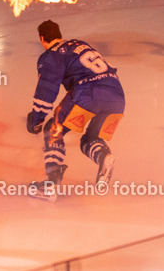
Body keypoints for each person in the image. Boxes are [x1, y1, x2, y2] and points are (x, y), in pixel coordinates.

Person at [26, 21, 124, 202]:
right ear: (59, 34)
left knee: (53, 129)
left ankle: (51, 184)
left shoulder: (51, 55)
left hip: (89, 93)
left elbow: (46, 92)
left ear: (42, 38)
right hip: (117, 95)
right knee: (91, 139)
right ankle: (104, 157)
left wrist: (36, 121)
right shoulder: (79, 44)